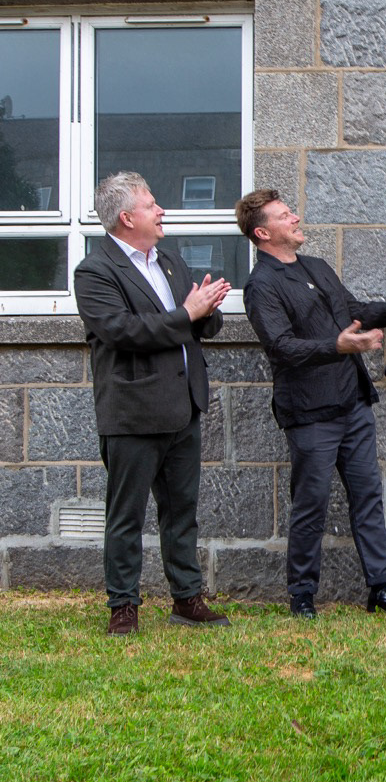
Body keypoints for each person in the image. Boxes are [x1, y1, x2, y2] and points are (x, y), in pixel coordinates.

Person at [236, 189, 386, 618]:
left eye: (291, 211)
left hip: (353, 404)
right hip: (310, 412)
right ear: (262, 232)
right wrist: (339, 345)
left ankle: (382, 589)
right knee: (311, 505)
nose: (295, 217)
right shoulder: (261, 285)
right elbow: (281, 347)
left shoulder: (316, 267)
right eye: (284, 215)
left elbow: (356, 311)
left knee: (368, 497)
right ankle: (302, 597)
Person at [74, 172, 232, 635]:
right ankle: (123, 605)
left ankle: (186, 598)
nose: (161, 211)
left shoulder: (170, 261)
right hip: (133, 413)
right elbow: (123, 332)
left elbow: (203, 325)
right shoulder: (95, 271)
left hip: (184, 406)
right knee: (126, 516)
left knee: (181, 511)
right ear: (126, 218)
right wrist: (188, 313)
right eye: (152, 204)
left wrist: (206, 310)